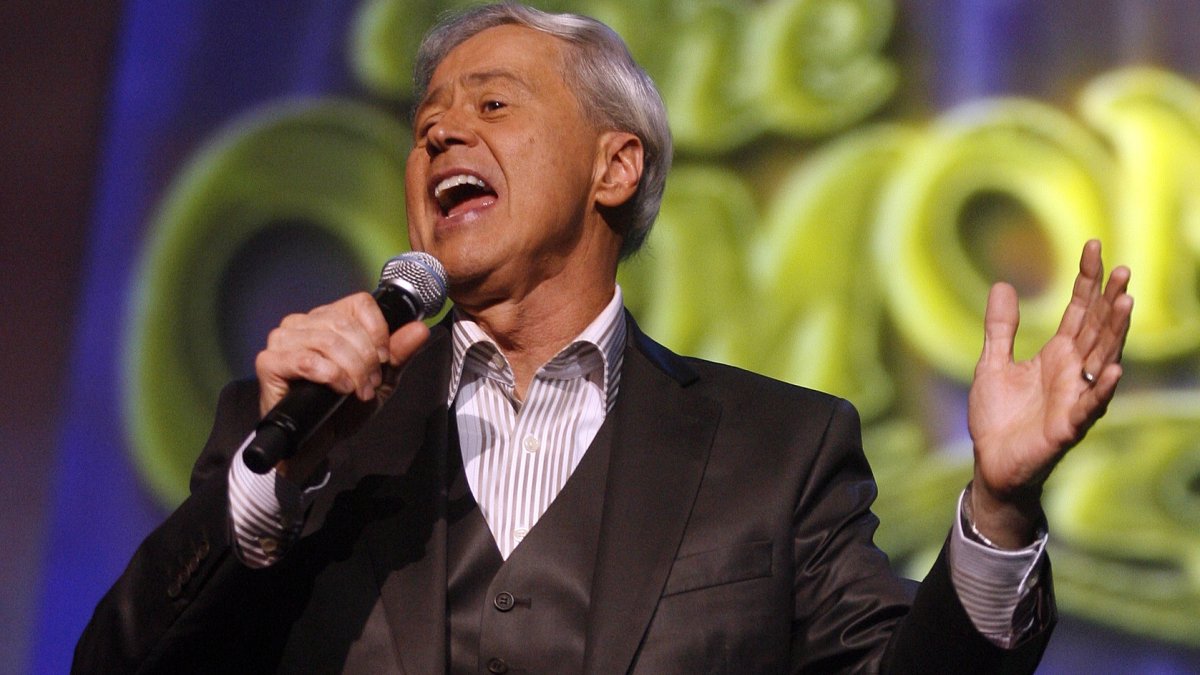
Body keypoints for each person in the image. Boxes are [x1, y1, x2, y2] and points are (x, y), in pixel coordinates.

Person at [74, 4, 1133, 673]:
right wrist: (268, 499)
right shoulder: (300, 436)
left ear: (615, 169)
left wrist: (997, 508)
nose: (442, 132)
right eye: (428, 121)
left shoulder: (776, 452)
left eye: (493, 102)